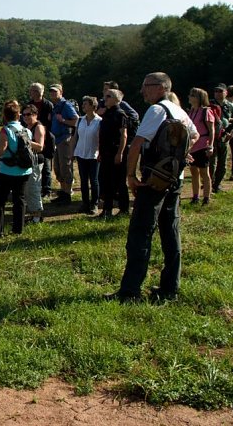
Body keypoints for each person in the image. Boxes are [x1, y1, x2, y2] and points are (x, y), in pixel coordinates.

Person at [106, 72, 198, 303]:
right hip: (174, 179)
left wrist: (130, 175)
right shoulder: (178, 110)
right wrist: (178, 158)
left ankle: (130, 292)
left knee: (140, 233)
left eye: (146, 86)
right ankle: (170, 289)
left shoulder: (157, 110)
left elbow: (137, 143)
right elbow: (195, 136)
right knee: (171, 232)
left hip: (153, 181)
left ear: (161, 87)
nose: (142, 90)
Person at [0, 100, 40, 237]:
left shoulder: (5, 130)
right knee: (19, 200)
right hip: (24, 170)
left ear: (4, 115)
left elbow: (1, 150)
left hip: (7, 170)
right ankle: (18, 230)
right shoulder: (26, 130)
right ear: (19, 114)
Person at [98, 89, 129, 218]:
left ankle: (124, 209)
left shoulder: (120, 114)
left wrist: (120, 153)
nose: (105, 99)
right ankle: (107, 210)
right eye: (105, 96)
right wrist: (100, 152)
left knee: (119, 182)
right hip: (105, 152)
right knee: (105, 181)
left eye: (108, 96)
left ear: (116, 99)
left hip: (115, 152)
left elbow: (124, 135)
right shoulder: (106, 113)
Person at [48, 84, 78, 204]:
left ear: (61, 92)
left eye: (55, 91)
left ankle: (67, 194)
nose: (52, 94)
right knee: (57, 168)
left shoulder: (66, 105)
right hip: (56, 140)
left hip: (65, 139)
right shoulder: (55, 106)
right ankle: (63, 193)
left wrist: (63, 120)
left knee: (65, 167)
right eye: (51, 92)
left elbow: (76, 120)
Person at [209, 84, 233, 193]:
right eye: (216, 91)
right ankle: (210, 183)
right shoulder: (209, 104)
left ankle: (217, 184)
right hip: (212, 136)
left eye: (220, 91)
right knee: (212, 162)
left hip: (224, 136)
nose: (217, 93)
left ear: (226, 93)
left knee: (222, 163)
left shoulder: (229, 105)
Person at [74, 96, 102, 215]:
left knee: (94, 180)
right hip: (81, 153)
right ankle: (85, 203)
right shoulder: (80, 120)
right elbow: (75, 136)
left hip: (93, 154)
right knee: (83, 180)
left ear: (92, 106)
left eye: (85, 104)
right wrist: (72, 151)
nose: (83, 106)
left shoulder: (99, 121)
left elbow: (101, 139)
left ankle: (94, 204)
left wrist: (100, 152)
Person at [187, 87, 215, 206]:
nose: (189, 97)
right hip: (192, 146)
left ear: (199, 98)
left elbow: (212, 130)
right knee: (194, 172)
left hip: (203, 145)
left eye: (192, 95)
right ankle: (195, 197)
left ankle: (206, 198)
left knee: (204, 172)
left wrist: (211, 146)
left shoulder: (206, 112)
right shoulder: (190, 112)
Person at [27, 83, 54, 199]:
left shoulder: (48, 105)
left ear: (39, 92)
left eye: (33, 90)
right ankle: (34, 187)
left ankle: (47, 189)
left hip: (46, 137)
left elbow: (51, 121)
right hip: (32, 135)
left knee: (46, 164)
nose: (31, 92)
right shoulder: (29, 105)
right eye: (31, 90)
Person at [21, 105, 46, 223]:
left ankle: (37, 216)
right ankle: (33, 214)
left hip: (36, 161)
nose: (26, 117)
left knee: (33, 187)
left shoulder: (38, 127)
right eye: (24, 115)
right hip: (28, 161)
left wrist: (25, 141)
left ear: (35, 115)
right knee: (27, 188)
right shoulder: (27, 127)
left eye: (28, 114)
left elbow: (40, 147)